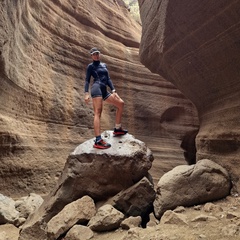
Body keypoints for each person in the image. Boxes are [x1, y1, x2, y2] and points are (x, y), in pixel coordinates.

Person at [84, 47, 128, 149]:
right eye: (94, 54)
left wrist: (114, 91)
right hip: (96, 88)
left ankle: (117, 128)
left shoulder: (104, 65)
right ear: (91, 56)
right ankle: (98, 140)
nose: (96, 55)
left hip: (104, 90)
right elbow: (87, 80)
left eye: (97, 53)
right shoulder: (90, 66)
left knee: (121, 103)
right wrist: (86, 93)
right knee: (98, 112)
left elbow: (108, 79)